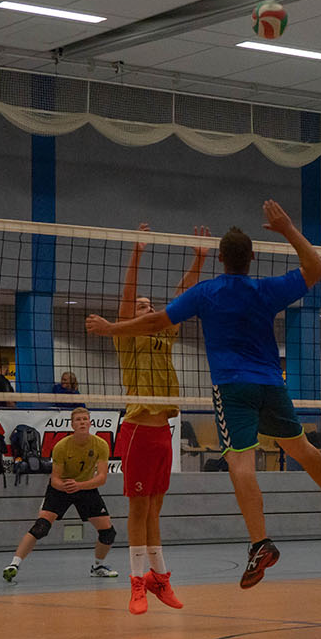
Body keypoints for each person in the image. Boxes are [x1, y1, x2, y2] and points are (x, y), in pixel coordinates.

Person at [87, 200, 321, 589]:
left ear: (220, 258)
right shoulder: (266, 289)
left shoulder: (207, 292)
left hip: (233, 388)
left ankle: (260, 543)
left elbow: (156, 320)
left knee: (240, 464)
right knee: (300, 447)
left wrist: (111, 328)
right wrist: (287, 228)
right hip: (272, 383)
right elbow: (317, 267)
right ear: (252, 258)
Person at [111, 222, 209, 615]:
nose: (147, 309)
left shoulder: (164, 333)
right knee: (138, 510)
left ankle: (159, 578)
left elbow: (182, 295)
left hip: (163, 432)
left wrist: (199, 259)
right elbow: (126, 298)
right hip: (137, 429)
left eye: (150, 307)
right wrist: (137, 252)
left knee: (154, 510)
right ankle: (137, 583)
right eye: (142, 307)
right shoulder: (125, 336)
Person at [1, 407, 119, 583]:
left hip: (85, 487)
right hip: (62, 488)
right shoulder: (62, 446)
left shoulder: (100, 444)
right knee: (41, 527)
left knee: (108, 533)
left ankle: (98, 567)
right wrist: (67, 486)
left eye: (85, 419)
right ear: (72, 424)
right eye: (78, 420)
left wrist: (79, 486)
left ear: (90, 423)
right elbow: (55, 479)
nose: (82, 422)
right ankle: (13, 565)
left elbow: (102, 478)